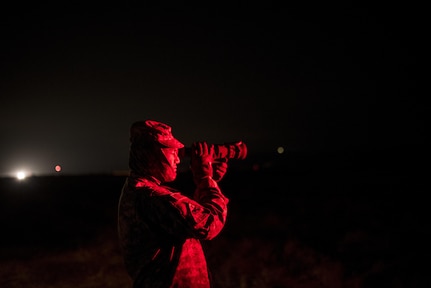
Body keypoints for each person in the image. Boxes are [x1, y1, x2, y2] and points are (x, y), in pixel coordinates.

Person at [117, 119, 230, 288]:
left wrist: (208, 182)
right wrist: (205, 179)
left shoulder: (137, 189)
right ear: (152, 155)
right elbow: (209, 223)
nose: (178, 160)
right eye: (172, 153)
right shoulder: (150, 196)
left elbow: (184, 221)